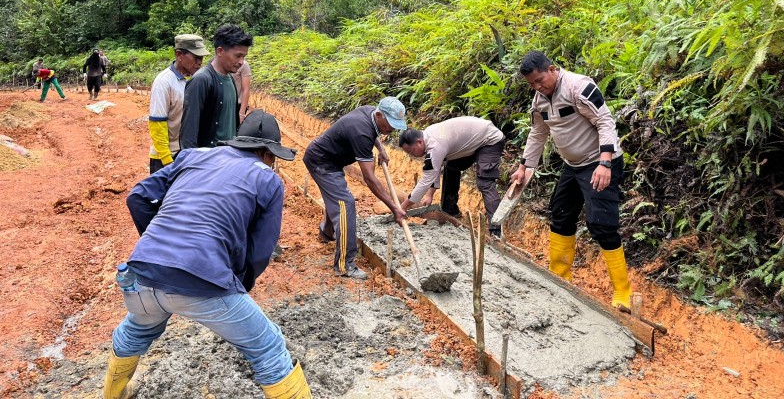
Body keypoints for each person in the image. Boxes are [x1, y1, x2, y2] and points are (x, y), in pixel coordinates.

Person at [103, 110, 311, 399]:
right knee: (268, 347)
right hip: (202, 280)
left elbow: (138, 197)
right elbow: (260, 251)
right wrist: (239, 285)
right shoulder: (267, 179)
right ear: (267, 153)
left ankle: (113, 394)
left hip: (140, 274)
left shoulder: (194, 156)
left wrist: (162, 246)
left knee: (135, 332)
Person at [510, 51, 631, 309]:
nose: (538, 87)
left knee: (601, 224)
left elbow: (605, 121)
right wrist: (524, 167)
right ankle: (560, 278)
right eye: (532, 84)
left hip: (599, 163)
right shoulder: (540, 100)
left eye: (540, 80)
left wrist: (605, 162)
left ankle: (623, 292)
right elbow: (538, 132)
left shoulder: (579, 87)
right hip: (573, 166)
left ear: (552, 69)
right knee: (561, 215)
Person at [303, 97, 408, 279]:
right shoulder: (361, 132)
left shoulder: (369, 113)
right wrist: (394, 208)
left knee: (337, 201)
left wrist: (381, 150)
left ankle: (327, 233)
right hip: (322, 162)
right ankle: (345, 265)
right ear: (379, 115)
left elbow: (373, 133)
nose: (391, 129)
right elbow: (370, 178)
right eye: (390, 123)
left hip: (332, 161)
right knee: (346, 203)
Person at [398, 116, 506, 236]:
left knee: (484, 182)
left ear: (419, 142)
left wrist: (403, 207)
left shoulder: (435, 144)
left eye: (412, 151)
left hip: (490, 140)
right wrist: (430, 195)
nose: (413, 155)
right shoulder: (428, 135)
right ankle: (450, 209)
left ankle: (496, 231)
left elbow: (426, 180)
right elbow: (435, 168)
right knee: (451, 167)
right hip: (474, 141)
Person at [180, 24, 253, 149]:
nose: (241, 62)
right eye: (238, 56)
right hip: (210, 161)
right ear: (220, 51)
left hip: (227, 158)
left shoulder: (230, 78)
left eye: (244, 57)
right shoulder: (201, 80)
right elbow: (188, 133)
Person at [148, 34, 210, 173]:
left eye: (202, 58)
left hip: (189, 155)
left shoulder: (198, 80)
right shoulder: (164, 82)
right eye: (196, 57)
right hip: (168, 157)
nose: (200, 62)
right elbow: (157, 123)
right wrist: (168, 162)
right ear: (179, 54)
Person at [233, 58, 253, 124]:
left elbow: (246, 89)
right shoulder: (222, 64)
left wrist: (242, 112)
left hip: (237, 105)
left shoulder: (244, 65)